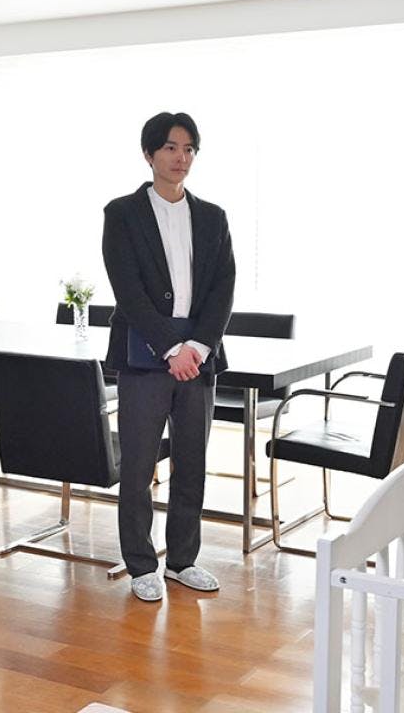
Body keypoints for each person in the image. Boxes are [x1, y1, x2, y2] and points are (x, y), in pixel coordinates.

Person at [102, 112, 236, 602]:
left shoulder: (213, 217)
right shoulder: (122, 213)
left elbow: (223, 289)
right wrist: (171, 348)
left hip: (199, 357)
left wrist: (197, 347)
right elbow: (128, 290)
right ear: (149, 154)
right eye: (171, 148)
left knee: (192, 462)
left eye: (189, 149)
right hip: (145, 353)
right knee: (138, 465)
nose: (181, 158)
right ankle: (141, 563)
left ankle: (182, 560)